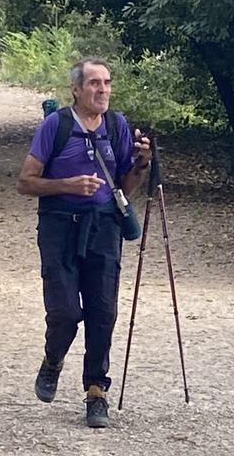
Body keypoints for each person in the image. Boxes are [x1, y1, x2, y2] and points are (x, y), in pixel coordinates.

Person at [16, 57, 151, 428]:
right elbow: (25, 183)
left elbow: (125, 186)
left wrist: (140, 165)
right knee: (64, 313)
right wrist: (67, 185)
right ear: (76, 89)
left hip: (104, 227)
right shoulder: (54, 126)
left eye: (106, 83)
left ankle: (96, 392)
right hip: (59, 225)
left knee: (103, 311)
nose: (102, 90)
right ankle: (53, 361)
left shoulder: (116, 125)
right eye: (94, 83)